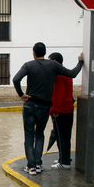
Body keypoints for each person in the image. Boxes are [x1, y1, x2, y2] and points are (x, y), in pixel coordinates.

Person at [12, 42, 84, 175]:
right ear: (44, 53)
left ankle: (31, 167)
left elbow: (16, 79)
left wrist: (21, 94)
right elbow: (72, 74)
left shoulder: (28, 65)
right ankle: (38, 165)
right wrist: (80, 62)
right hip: (44, 107)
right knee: (39, 134)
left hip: (29, 105)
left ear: (33, 53)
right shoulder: (54, 65)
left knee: (29, 136)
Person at [48, 52, 75, 169]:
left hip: (61, 111)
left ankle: (64, 163)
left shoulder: (59, 76)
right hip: (68, 109)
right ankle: (64, 158)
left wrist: (56, 110)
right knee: (65, 136)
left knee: (61, 137)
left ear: (54, 62)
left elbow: (58, 95)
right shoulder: (67, 73)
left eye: (49, 61)